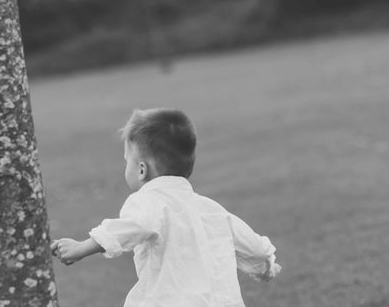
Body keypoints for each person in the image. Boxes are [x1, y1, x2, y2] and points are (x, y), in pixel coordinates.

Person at [50, 108, 281, 307]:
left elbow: (132, 226)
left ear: (142, 170)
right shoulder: (212, 210)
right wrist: (265, 268)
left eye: (126, 161)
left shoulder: (148, 201)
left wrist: (82, 247)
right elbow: (256, 249)